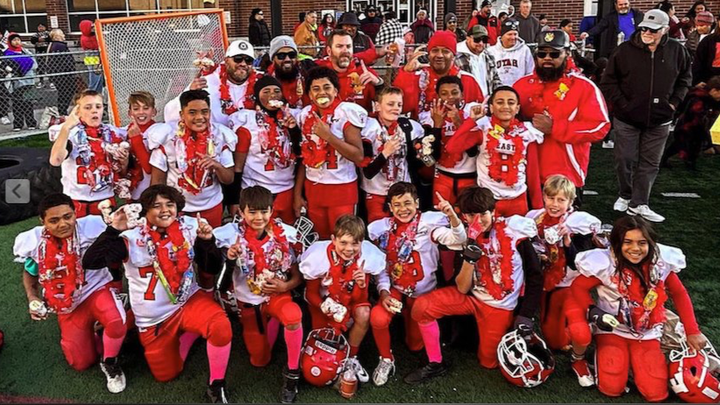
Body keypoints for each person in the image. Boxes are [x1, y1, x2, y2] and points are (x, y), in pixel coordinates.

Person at [82, 185, 232, 403]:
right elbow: (91, 262)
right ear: (145, 210)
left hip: (188, 301)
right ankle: (140, 332)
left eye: (169, 204)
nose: (164, 210)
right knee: (166, 374)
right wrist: (113, 230)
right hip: (154, 317)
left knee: (220, 326)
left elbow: (212, 266)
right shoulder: (131, 237)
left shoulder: (189, 227)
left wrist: (206, 242)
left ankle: (216, 386)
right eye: (156, 206)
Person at [403, 186, 542, 384]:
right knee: (422, 308)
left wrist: (526, 315)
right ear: (464, 217)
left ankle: (513, 332)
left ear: (493, 211)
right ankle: (435, 362)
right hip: (471, 297)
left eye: (483, 214)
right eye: (471, 215)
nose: (478, 220)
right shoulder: (463, 236)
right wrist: (469, 255)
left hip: (499, 305)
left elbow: (535, 276)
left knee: (489, 362)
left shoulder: (515, 232)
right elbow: (462, 288)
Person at [571, 216, 709, 401]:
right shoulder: (606, 263)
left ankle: (631, 364)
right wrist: (594, 311)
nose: (635, 248)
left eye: (642, 243)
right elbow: (578, 287)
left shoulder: (660, 263)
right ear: (617, 243)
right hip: (613, 329)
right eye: (627, 242)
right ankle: (608, 358)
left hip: (648, 331)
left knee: (655, 393)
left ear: (650, 243)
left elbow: (679, 293)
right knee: (612, 387)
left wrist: (693, 331)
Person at [14, 193, 127, 394]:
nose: (63, 224)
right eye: (54, 220)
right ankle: (98, 333)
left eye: (68, 217)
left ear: (75, 214)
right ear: (42, 221)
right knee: (81, 362)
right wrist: (33, 297)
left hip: (97, 289)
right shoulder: (32, 240)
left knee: (115, 319)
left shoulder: (93, 225)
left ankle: (110, 362)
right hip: (68, 305)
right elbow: (30, 272)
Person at [367, 182, 466, 386]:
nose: (403, 209)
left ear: (417, 203)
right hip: (396, 288)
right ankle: (386, 359)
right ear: (390, 207)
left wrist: (452, 217)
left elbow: (459, 239)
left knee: (414, 345)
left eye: (407, 203)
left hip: (422, 292)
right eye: (397, 205)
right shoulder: (382, 228)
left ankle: (430, 352)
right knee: (378, 317)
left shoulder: (428, 225)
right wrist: (384, 292)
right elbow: (381, 266)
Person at [212, 186, 303, 403]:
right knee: (260, 360)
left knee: (293, 315)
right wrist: (230, 260)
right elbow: (221, 286)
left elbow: (298, 275)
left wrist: (285, 286)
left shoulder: (283, 234)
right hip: (249, 303)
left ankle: (292, 374)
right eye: (252, 212)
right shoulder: (232, 237)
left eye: (264, 211)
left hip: (276, 296)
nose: (259, 217)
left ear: (272, 211)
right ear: (241, 212)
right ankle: (271, 324)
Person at [600, 10, 692, 223]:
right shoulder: (624, 50)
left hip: (661, 119)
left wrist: (673, 104)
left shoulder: (677, 51)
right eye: (644, 28)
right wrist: (624, 105)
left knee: (650, 163)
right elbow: (608, 81)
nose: (647, 33)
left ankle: (639, 203)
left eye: (653, 30)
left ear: (665, 30)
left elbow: (685, 80)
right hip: (627, 118)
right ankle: (625, 194)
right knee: (624, 159)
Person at [514, 30, 610, 209]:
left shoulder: (584, 87)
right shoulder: (521, 85)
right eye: (542, 54)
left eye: (554, 54)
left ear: (567, 54)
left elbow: (600, 127)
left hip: (565, 176)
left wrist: (555, 128)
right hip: (525, 174)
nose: (547, 58)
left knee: (564, 225)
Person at [524, 175, 600, 387]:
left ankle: (586, 327)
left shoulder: (578, 223)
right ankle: (567, 328)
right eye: (550, 198)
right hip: (547, 283)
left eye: (561, 200)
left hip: (572, 284)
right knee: (554, 341)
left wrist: (568, 241)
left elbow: (579, 264)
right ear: (544, 197)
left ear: (571, 201)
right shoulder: (534, 217)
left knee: (576, 331)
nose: (554, 204)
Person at [299, 214, 387, 383]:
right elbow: (310, 293)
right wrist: (323, 306)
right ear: (333, 240)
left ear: (362, 242)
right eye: (344, 242)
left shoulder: (367, 256)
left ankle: (351, 358)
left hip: (353, 300)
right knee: (323, 343)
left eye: (355, 243)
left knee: (364, 313)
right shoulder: (319, 256)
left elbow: (360, 298)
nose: (349, 249)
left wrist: (361, 284)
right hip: (324, 300)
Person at [444, 86, 544, 217]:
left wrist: (538, 208)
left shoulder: (528, 132)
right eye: (500, 102)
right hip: (487, 200)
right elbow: (452, 147)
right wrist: (472, 121)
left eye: (511, 102)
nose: (505, 106)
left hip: (518, 199)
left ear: (517, 108)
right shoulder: (484, 128)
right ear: (491, 108)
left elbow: (532, 172)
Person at [293, 67, 366, 239]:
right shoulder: (305, 115)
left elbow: (358, 156)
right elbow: (304, 159)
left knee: (344, 240)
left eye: (327, 87)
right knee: (320, 241)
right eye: (316, 89)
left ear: (336, 91)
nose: (322, 93)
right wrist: (297, 194)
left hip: (342, 189)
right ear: (310, 94)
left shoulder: (346, 112)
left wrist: (329, 137)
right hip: (314, 189)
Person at [149, 89, 236, 229]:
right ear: (181, 115)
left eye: (204, 111)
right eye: (192, 112)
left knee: (211, 242)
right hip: (178, 209)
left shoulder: (220, 136)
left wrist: (217, 166)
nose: (199, 117)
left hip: (211, 206)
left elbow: (229, 179)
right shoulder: (167, 138)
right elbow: (157, 182)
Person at [48, 90, 135, 217]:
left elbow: (122, 172)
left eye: (98, 107)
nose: (94, 111)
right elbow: (55, 160)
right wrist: (66, 127)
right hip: (76, 200)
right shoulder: (71, 133)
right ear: (77, 111)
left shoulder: (113, 133)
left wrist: (124, 161)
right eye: (88, 107)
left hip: (106, 199)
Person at [228, 76, 299, 224]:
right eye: (266, 91)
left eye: (277, 91)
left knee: (286, 234)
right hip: (256, 191)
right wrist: (234, 199)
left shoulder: (292, 117)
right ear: (257, 96)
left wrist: (293, 130)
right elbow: (238, 166)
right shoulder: (247, 122)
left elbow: (300, 154)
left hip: (286, 189)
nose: (272, 95)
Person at [360, 87, 425, 223]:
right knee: (379, 231)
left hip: (404, 194)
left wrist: (422, 152)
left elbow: (418, 163)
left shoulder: (409, 127)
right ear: (377, 106)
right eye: (390, 104)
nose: (396, 108)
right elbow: (368, 172)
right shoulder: (368, 129)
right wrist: (385, 152)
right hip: (377, 193)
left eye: (399, 105)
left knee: (407, 231)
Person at [164, 39, 261, 128]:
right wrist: (190, 93)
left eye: (248, 60)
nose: (243, 64)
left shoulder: (260, 84)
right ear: (226, 61)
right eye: (238, 59)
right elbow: (170, 114)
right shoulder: (207, 82)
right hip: (216, 139)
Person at [393, 30, 484, 120]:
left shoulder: (467, 80)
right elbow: (402, 108)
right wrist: (406, 73)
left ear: (453, 56)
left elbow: (480, 117)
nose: (439, 55)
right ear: (429, 55)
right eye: (435, 50)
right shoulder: (417, 78)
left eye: (445, 51)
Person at [315, 30, 382, 112]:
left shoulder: (364, 73)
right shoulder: (318, 74)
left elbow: (386, 102)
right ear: (329, 51)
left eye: (348, 46)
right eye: (339, 46)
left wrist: (379, 84)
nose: (345, 50)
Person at [661, 75, 720, 169]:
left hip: (692, 127)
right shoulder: (699, 99)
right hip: (687, 128)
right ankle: (664, 160)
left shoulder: (706, 97)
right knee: (679, 145)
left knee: (691, 146)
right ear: (714, 90)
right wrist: (707, 138)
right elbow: (698, 118)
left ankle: (689, 162)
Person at [120, 91, 159, 202]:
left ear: (154, 111)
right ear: (130, 112)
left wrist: (136, 140)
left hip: (151, 190)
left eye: (146, 108)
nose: (141, 112)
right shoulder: (124, 131)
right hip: (131, 190)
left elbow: (149, 169)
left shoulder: (159, 131)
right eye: (136, 109)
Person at [579, 0, 644, 59]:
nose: (623, 6)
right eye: (620, 5)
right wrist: (588, 33)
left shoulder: (638, 14)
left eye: (625, 4)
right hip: (618, 48)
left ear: (629, 3)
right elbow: (600, 26)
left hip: (635, 46)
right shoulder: (610, 16)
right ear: (616, 5)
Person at [3, 33, 38, 131]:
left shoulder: (25, 51)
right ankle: (18, 124)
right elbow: (8, 66)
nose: (17, 42)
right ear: (10, 42)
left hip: (28, 81)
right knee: (17, 103)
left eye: (18, 40)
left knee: (28, 103)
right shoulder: (7, 53)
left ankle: (31, 123)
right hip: (16, 82)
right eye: (14, 40)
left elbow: (34, 64)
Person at [266, 36, 313, 109]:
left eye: (292, 55)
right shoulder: (266, 81)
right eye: (281, 56)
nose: (287, 59)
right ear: (273, 59)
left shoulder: (308, 73)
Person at [456, 25, 502, 97]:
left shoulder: (489, 56)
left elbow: (495, 79)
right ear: (468, 39)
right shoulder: (456, 56)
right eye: (477, 39)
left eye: (484, 40)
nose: (481, 43)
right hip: (467, 100)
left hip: (487, 100)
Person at [485, 19, 535, 86]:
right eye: (509, 34)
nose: (513, 37)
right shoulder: (491, 51)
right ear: (502, 36)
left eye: (515, 34)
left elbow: (530, 73)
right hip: (497, 90)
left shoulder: (524, 50)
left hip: (519, 90)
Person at [46, 29, 77, 116]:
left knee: (63, 92)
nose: (64, 35)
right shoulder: (60, 46)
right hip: (64, 74)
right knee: (66, 92)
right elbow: (65, 60)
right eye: (62, 34)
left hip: (58, 73)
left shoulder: (53, 45)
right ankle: (63, 111)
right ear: (56, 36)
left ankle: (62, 110)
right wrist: (71, 69)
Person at [79, 20, 103, 93]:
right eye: (91, 27)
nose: (93, 29)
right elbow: (96, 46)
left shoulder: (93, 36)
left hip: (96, 59)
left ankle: (98, 94)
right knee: (94, 78)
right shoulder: (85, 38)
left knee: (99, 79)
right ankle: (91, 94)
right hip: (92, 60)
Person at [30, 23, 50, 87]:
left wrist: (44, 39)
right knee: (40, 66)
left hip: (47, 51)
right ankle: (41, 81)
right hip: (39, 52)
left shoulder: (48, 33)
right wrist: (38, 40)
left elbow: (50, 39)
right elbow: (32, 40)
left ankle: (51, 81)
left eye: (42, 27)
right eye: (39, 27)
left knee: (49, 65)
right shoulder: (35, 34)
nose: (41, 28)